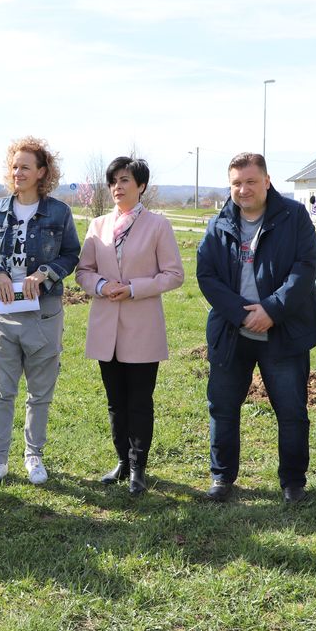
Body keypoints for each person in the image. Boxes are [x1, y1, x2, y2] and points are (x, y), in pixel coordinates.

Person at [196, 152, 316, 504]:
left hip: (282, 331)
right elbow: (206, 274)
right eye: (236, 183)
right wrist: (241, 313)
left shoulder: (294, 216)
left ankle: (293, 482)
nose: (243, 189)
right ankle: (222, 478)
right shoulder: (219, 222)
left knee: (291, 410)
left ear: (267, 181)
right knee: (222, 407)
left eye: (251, 181)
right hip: (232, 332)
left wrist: (271, 309)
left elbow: (305, 268)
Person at [0, 137, 80, 489]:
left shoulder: (59, 213)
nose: (18, 172)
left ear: (42, 172)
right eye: (14, 166)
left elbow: (70, 254)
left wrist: (45, 273)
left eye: (25, 167)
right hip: (4, 313)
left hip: (44, 313)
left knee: (40, 392)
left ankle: (33, 455)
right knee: (1, 391)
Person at [75, 157, 184, 495]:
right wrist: (101, 286)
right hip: (106, 325)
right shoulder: (98, 225)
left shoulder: (158, 226)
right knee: (114, 400)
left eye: (125, 180)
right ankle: (122, 461)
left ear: (141, 186)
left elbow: (174, 275)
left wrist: (135, 288)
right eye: (113, 182)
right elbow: (83, 271)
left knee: (139, 399)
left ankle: (139, 467)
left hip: (142, 326)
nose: (117, 187)